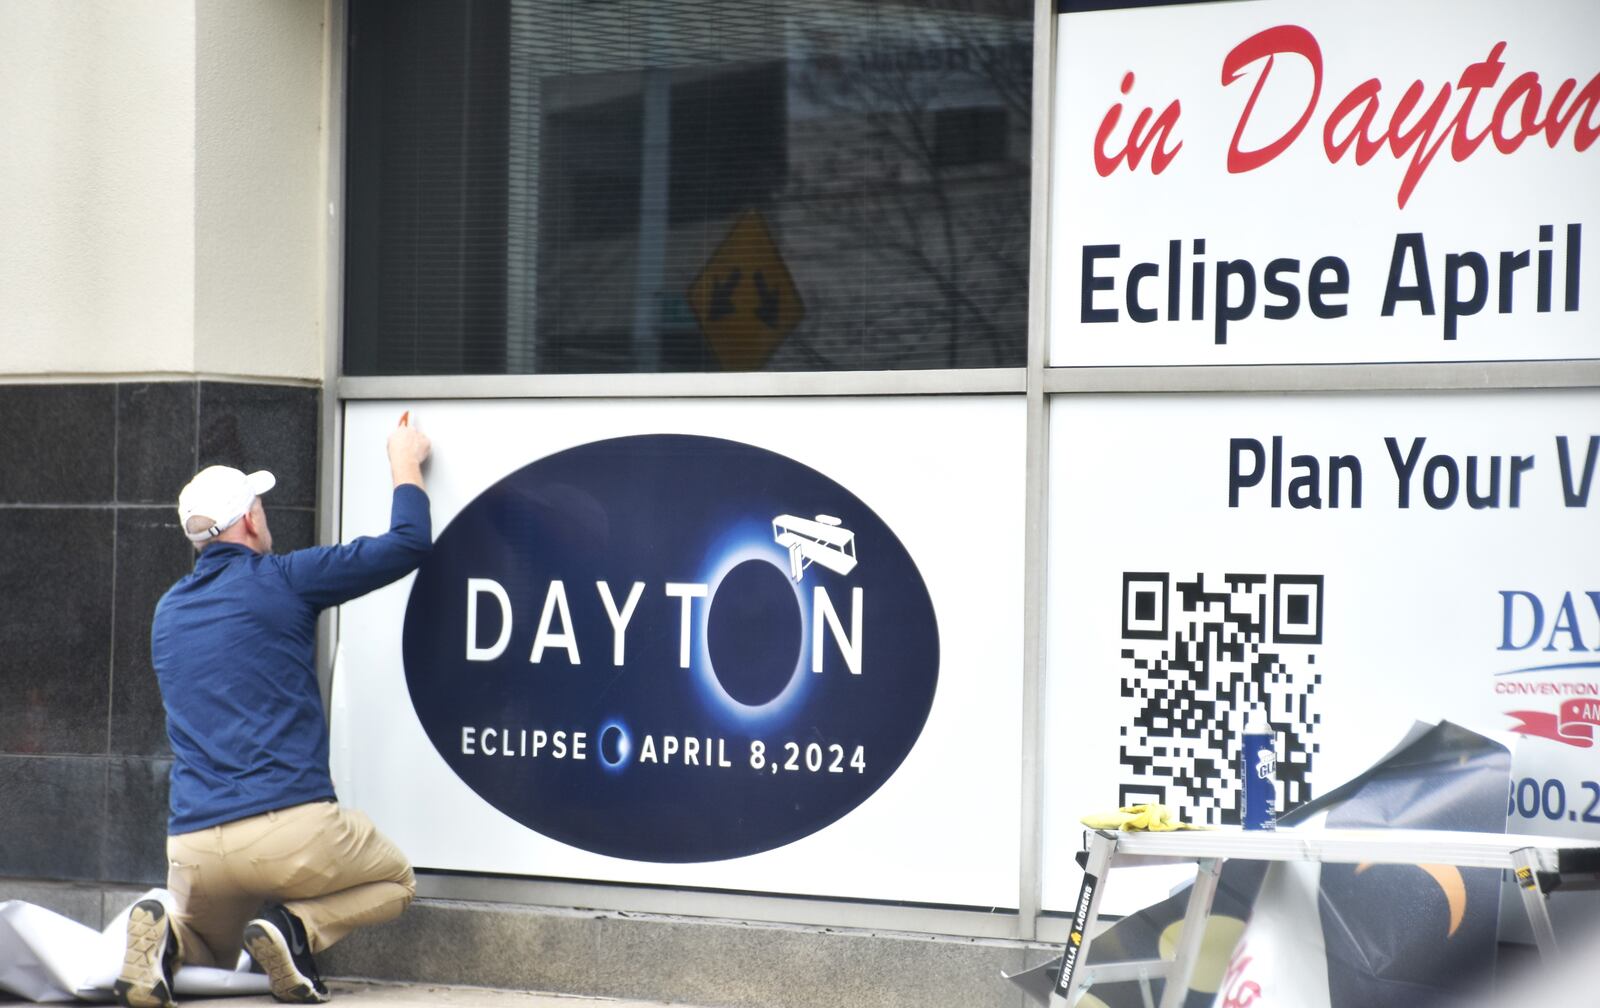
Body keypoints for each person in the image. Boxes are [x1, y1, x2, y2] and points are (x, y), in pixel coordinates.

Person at [115, 418, 433, 1008]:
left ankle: (168, 930)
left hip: (194, 845)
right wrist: (404, 460)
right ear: (250, 520)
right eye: (261, 504)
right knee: (397, 881)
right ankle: (295, 930)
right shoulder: (285, 578)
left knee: (209, 956)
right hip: (292, 833)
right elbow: (408, 543)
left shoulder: (167, 614)